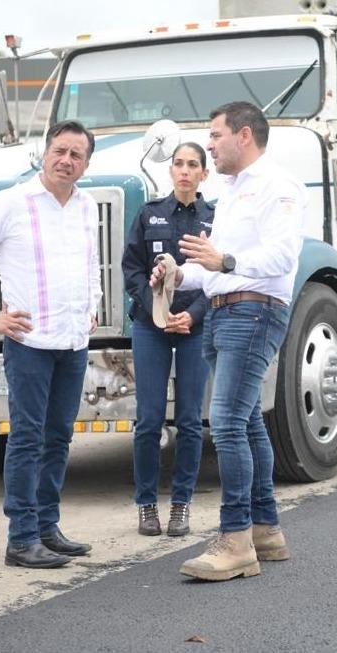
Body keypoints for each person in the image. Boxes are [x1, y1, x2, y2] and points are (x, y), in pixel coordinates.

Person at [150, 101, 305, 581]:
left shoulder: (278, 187)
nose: (209, 145)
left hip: (254, 310)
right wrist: (179, 273)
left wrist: (224, 263)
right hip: (227, 310)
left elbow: (280, 256)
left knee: (228, 423)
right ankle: (265, 531)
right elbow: (217, 268)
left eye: (215, 136)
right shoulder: (234, 191)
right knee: (248, 423)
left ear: (243, 135)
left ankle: (234, 539)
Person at [0, 120, 100, 569]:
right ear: (45, 153)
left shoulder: (85, 205)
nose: (66, 160)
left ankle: (47, 527)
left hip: (73, 341)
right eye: (60, 151)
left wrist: (92, 305)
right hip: (28, 342)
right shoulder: (12, 202)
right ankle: (21, 538)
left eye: (76, 155)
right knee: (26, 438)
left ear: (85, 163)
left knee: (59, 437)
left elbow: (90, 262)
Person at [122, 143, 214, 537]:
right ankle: (146, 505)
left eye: (193, 165)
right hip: (150, 326)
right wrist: (158, 311)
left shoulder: (215, 219)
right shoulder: (149, 214)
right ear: (170, 170)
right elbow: (132, 270)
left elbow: (220, 277)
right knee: (149, 419)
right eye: (178, 164)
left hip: (195, 326)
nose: (184, 171)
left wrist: (190, 315)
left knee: (191, 421)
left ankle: (181, 505)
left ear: (203, 174)